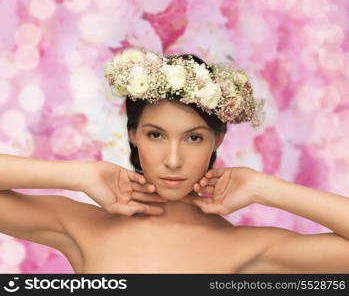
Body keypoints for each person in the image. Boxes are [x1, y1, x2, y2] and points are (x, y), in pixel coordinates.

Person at [1, 49, 349, 274]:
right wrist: (78, 175)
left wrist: (265, 187)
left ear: (218, 140)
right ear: (133, 134)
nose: (172, 160)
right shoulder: (82, 225)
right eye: (156, 135)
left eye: (193, 138)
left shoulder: (250, 248)